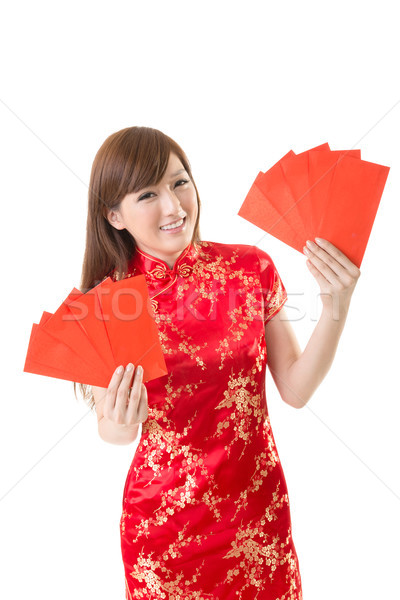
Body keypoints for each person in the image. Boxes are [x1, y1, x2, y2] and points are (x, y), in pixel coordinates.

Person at [77, 126, 360, 599]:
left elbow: (294, 388)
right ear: (114, 216)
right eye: (148, 193)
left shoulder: (251, 269)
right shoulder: (109, 303)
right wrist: (119, 421)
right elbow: (114, 431)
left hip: (258, 519)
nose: (173, 206)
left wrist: (336, 303)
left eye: (179, 182)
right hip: (165, 531)